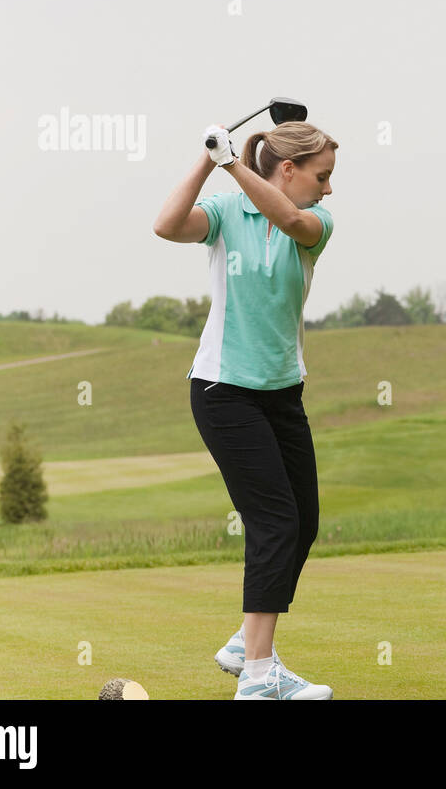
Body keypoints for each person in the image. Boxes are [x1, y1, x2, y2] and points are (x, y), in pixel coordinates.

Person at [152, 119, 338, 699]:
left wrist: (232, 161)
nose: (329, 189)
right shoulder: (228, 213)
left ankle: (244, 645)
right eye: (322, 175)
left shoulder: (317, 223)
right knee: (274, 522)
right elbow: (166, 225)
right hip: (223, 389)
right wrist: (208, 161)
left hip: (283, 393)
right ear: (289, 169)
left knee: (301, 523)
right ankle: (258, 678)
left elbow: (289, 218)